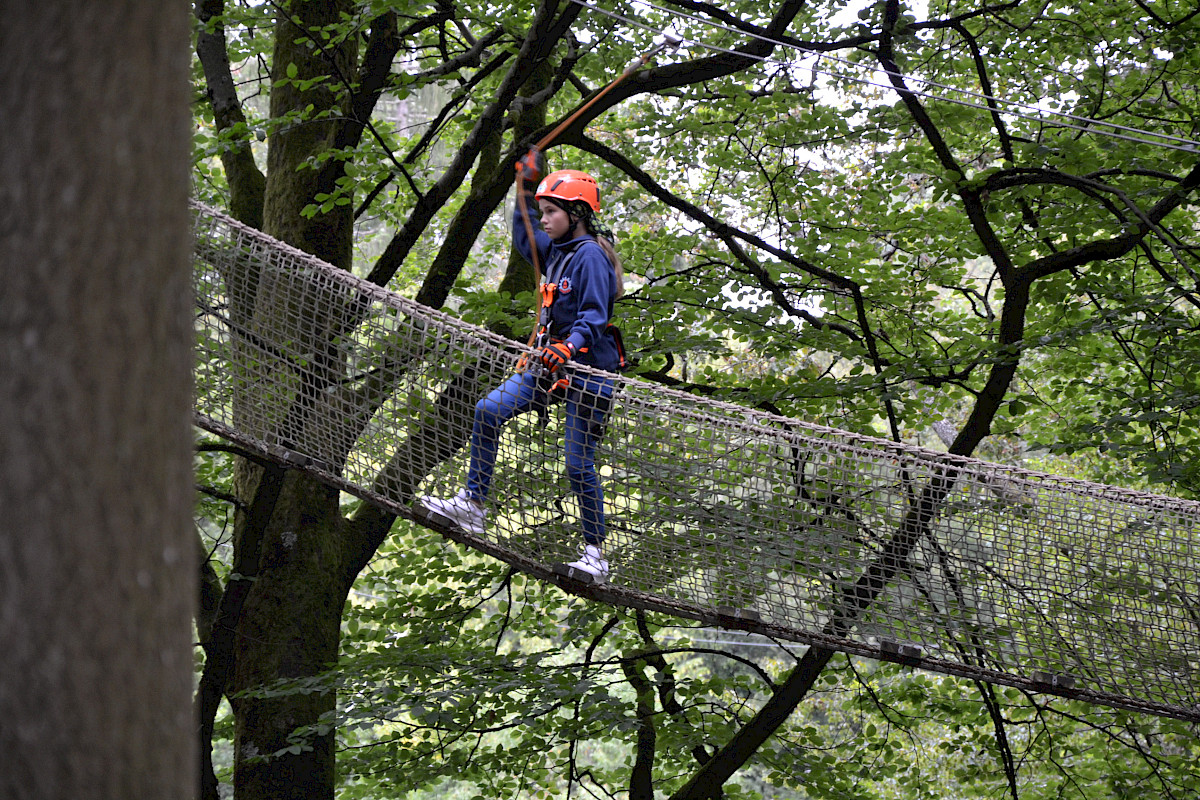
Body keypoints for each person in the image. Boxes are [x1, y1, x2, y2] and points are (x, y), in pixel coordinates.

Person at [419, 158, 625, 583]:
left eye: (552, 212)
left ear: (577, 214)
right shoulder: (559, 253)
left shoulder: (590, 257)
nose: (545, 219)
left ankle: (595, 555)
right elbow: (524, 233)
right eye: (544, 211)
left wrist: (569, 346)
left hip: (588, 373)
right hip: (549, 366)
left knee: (577, 464)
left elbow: (595, 314)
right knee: (488, 410)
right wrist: (525, 181)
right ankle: (474, 504)